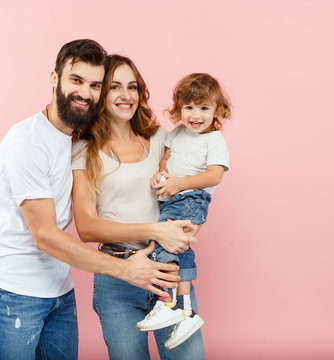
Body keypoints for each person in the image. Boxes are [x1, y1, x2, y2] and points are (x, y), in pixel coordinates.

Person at [0, 40, 192, 360]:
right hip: (14, 292)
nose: (85, 92)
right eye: (76, 80)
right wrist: (125, 271)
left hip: (60, 293)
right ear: (54, 78)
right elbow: (46, 235)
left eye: (94, 85)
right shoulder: (27, 143)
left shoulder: (75, 138)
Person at [72, 55, 205, 359]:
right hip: (117, 277)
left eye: (132, 87)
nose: (126, 95)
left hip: (167, 271)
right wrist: (155, 229)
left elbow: (193, 183)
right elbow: (86, 227)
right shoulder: (84, 149)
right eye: (115, 87)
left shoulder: (160, 139)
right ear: (100, 94)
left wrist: (192, 223)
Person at [136, 73, 231, 350]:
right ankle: (184, 310)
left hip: (193, 198)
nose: (196, 115)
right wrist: (160, 177)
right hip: (173, 199)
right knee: (173, 247)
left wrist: (179, 184)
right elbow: (165, 163)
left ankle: (170, 303)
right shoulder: (175, 134)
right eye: (189, 107)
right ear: (178, 109)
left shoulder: (213, 140)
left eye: (204, 108)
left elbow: (214, 176)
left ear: (217, 111)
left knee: (165, 245)